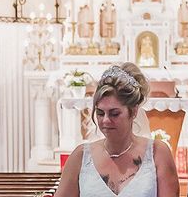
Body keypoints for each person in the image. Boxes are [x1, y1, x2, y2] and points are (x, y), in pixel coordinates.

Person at [54, 62, 179, 196]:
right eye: (100, 113)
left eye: (114, 113)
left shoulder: (158, 154)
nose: (106, 120)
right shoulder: (80, 157)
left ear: (134, 111)